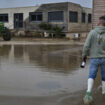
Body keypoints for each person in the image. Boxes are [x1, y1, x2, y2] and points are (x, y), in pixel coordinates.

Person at [82, 15, 105, 102]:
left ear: (99, 22)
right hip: (104, 58)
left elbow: (86, 46)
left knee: (91, 75)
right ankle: (103, 93)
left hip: (94, 58)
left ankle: (88, 94)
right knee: (104, 77)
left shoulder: (92, 32)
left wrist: (84, 56)